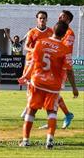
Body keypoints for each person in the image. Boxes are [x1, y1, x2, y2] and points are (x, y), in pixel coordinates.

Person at [18, 21, 78, 149]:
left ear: (53, 30)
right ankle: (49, 140)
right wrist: (74, 88)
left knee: (31, 110)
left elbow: (33, 62)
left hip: (37, 82)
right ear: (64, 34)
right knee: (52, 112)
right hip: (53, 85)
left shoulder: (40, 43)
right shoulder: (64, 49)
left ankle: (25, 140)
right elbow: (69, 70)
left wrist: (26, 76)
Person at [39, 10, 76, 129]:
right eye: (60, 15)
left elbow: (66, 50)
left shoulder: (69, 33)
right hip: (54, 65)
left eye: (63, 16)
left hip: (61, 66)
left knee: (52, 93)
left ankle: (66, 115)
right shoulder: (57, 29)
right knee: (49, 92)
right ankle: (55, 117)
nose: (60, 17)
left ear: (68, 20)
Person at [20, 11, 53, 117]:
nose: (42, 20)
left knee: (41, 87)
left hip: (44, 64)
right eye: (40, 18)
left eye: (44, 18)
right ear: (37, 19)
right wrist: (35, 50)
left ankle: (32, 109)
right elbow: (26, 47)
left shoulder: (51, 32)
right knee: (30, 86)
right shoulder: (32, 32)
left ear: (47, 19)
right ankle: (28, 107)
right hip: (31, 62)